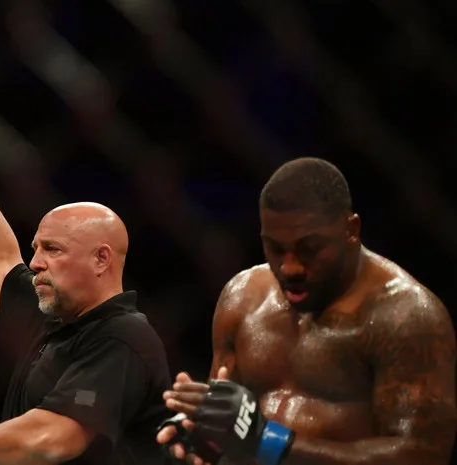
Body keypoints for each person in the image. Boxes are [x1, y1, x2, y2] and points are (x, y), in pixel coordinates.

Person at [0, 102, 172, 464]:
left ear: (101, 259)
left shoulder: (123, 337)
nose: (35, 262)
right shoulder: (49, 314)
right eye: (35, 248)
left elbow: (51, 438)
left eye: (52, 249)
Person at [156, 157, 457, 465]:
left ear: (351, 229)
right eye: (275, 248)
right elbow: (229, 422)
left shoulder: (405, 317)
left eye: (309, 248)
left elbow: (421, 456)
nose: (290, 267)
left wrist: (266, 441)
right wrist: (195, 435)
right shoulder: (242, 298)